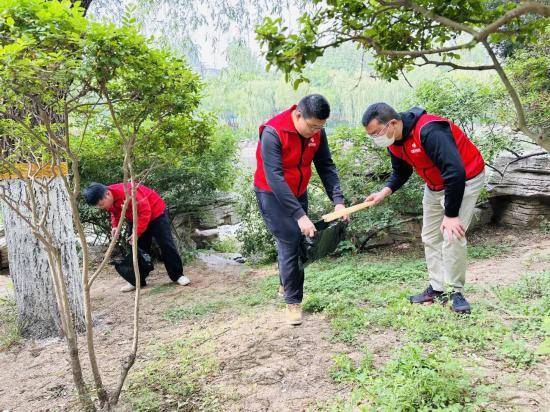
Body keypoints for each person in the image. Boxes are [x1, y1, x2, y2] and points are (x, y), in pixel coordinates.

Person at [362, 103, 485, 314]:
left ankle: (455, 292)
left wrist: (451, 215)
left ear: (392, 123)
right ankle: (437, 288)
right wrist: (384, 192)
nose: (376, 138)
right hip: (435, 185)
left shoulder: (429, 130)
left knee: (452, 235)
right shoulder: (393, 141)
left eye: (377, 133)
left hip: (464, 180)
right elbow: (401, 172)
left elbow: (454, 172)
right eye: (371, 135)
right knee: (429, 236)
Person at [254, 94, 347, 325]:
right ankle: (293, 302)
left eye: (320, 127)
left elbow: (326, 166)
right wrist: (300, 216)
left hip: (298, 191)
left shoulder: (317, 132)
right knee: (291, 240)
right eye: (312, 126)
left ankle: (286, 283)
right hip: (271, 193)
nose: (315, 131)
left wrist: (338, 201)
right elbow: (275, 177)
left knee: (294, 242)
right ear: (298, 115)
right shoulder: (273, 132)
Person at [83, 182, 191, 292]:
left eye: (101, 205)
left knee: (166, 244)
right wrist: (115, 226)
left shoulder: (129, 191)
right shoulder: (108, 199)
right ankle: (137, 281)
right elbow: (115, 212)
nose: (102, 208)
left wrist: (136, 232)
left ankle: (178, 275)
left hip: (156, 214)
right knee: (136, 249)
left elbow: (145, 211)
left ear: (107, 194)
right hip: (135, 218)